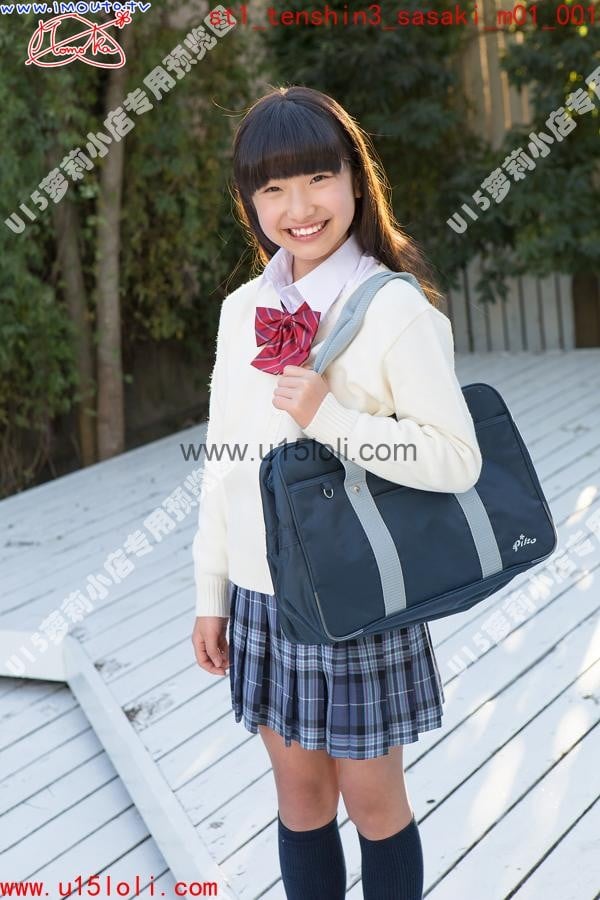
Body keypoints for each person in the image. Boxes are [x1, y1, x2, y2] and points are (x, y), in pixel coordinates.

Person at [191, 84, 482, 900]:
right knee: (300, 795)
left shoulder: (393, 311)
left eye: (318, 178)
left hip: (356, 598)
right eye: (274, 188)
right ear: (250, 201)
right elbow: (223, 461)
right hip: (260, 597)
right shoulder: (242, 311)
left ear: (355, 178)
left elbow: (456, 459)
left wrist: (334, 419)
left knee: (373, 801)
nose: (300, 207)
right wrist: (211, 591)